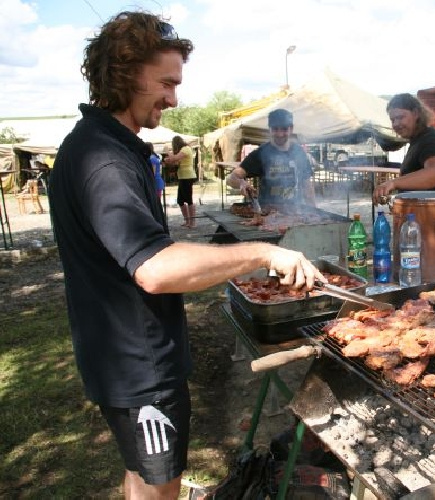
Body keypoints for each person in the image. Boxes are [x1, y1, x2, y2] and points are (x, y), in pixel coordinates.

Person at [48, 11, 325, 500]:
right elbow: (155, 268)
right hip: (139, 364)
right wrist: (263, 252)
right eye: (167, 83)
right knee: (159, 488)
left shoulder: (101, 145)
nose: (174, 99)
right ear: (125, 71)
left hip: (121, 356)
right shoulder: (104, 159)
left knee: (140, 474)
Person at [372, 93, 435, 202]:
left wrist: (393, 183)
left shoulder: (431, 139)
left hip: (431, 212)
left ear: (416, 113)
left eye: (400, 117)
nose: (396, 124)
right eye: (393, 120)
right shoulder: (418, 140)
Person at [226, 108, 316, 208]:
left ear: (291, 129)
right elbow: (230, 178)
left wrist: (314, 211)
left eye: (284, 129)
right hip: (267, 212)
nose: (280, 134)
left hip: (295, 211)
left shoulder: (298, 152)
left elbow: (307, 186)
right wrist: (241, 183)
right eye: (275, 129)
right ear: (269, 129)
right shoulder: (261, 153)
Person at [163, 135, 196, 227]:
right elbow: (176, 161)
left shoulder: (186, 149)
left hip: (187, 176)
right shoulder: (182, 150)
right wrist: (168, 160)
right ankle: (187, 220)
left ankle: (192, 222)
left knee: (189, 200)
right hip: (182, 176)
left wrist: (168, 152)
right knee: (180, 201)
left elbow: (175, 158)